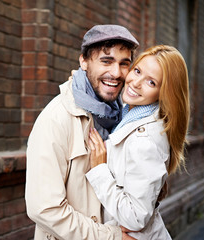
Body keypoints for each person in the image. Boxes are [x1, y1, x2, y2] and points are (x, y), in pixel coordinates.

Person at [25, 25, 139, 239]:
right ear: (84, 62)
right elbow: (45, 209)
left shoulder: (123, 118)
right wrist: (113, 237)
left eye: (124, 64)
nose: (116, 73)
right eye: (106, 61)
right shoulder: (57, 118)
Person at [86, 45, 190, 239]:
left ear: (163, 93)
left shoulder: (145, 141)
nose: (135, 83)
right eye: (137, 71)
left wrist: (100, 170)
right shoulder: (130, 113)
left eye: (151, 82)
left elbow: (135, 218)